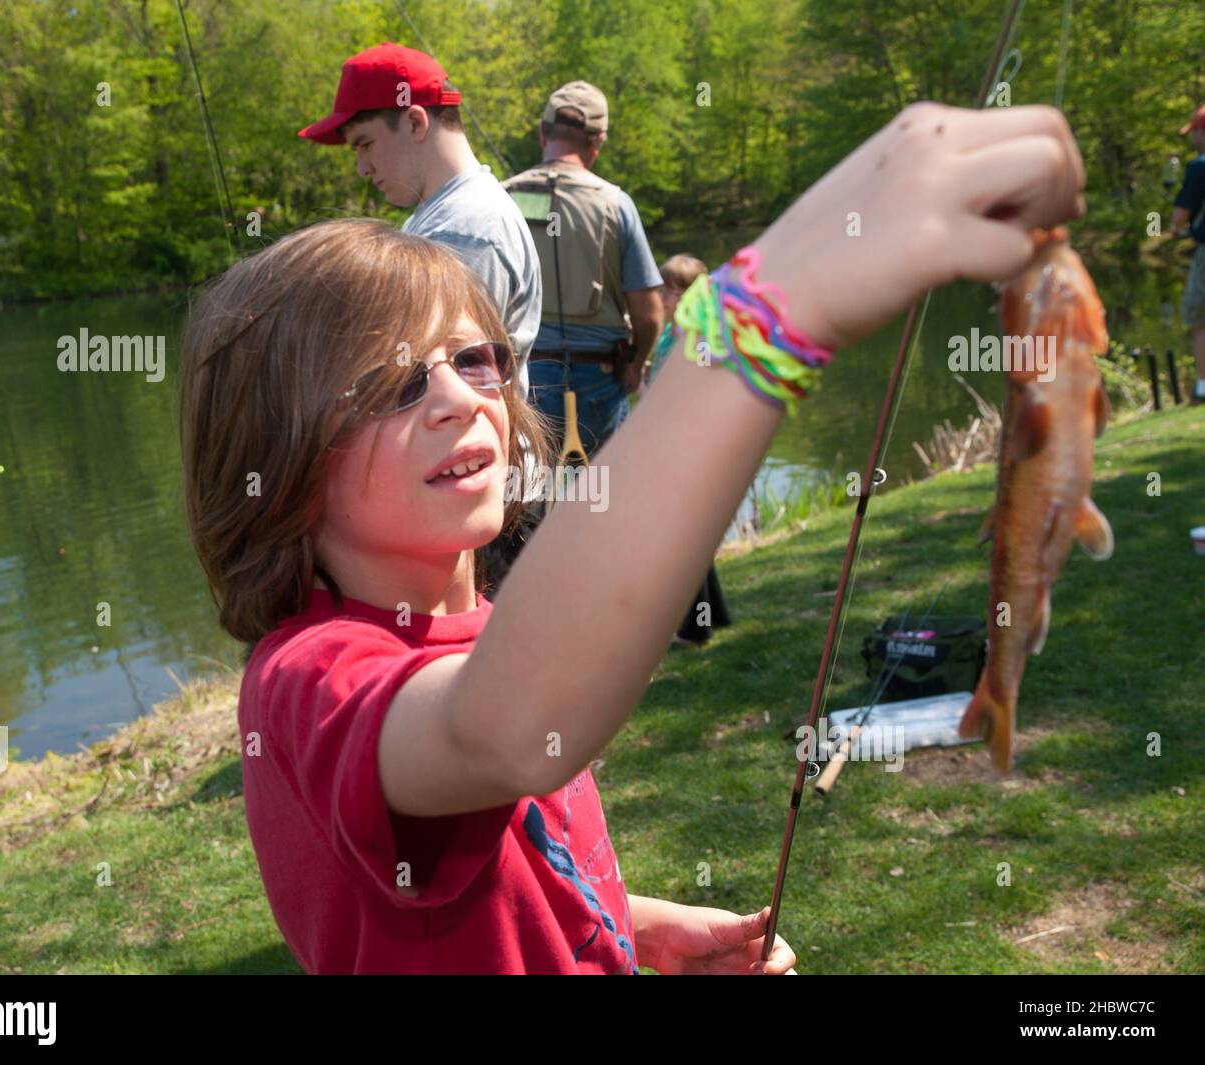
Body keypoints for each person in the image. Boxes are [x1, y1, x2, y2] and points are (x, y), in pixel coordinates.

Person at [179, 101, 1086, 974]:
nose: (460, 396)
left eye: (473, 357)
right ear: (279, 462)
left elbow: (508, 861)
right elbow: (508, 733)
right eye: (388, 385)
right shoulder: (309, 679)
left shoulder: (491, 625)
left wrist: (629, 924)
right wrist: (761, 318)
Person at [298, 42, 542, 402]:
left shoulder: (463, 230)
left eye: (365, 144)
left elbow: (450, 389)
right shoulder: (440, 217)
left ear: (414, 122)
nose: (362, 168)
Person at [502, 81, 664, 456]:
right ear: (598, 142)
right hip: (599, 380)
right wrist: (637, 362)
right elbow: (650, 314)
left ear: (543, 134)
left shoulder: (503, 198)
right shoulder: (616, 204)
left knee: (526, 505)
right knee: (597, 502)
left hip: (526, 377)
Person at [646, 254, 733, 647]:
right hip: (667, 442)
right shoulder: (671, 333)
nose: (662, 296)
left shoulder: (698, 336)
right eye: (662, 289)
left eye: (671, 291)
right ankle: (715, 611)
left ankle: (694, 629)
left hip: (687, 446)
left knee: (682, 536)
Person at [1170, 104, 1205, 404]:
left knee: (1199, 318)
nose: (1192, 138)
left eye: (1194, 132)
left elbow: (1180, 217)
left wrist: (1172, 230)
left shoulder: (1199, 167)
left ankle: (1204, 387)